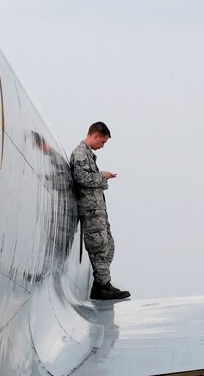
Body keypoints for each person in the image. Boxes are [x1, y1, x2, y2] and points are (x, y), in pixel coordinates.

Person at [70, 121, 130, 300]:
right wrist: (102, 176)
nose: (102, 146)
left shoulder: (88, 155)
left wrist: (102, 176)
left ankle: (102, 284)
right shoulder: (80, 154)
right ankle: (102, 287)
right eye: (102, 142)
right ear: (95, 135)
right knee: (99, 248)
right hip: (91, 212)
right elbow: (82, 178)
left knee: (108, 246)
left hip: (97, 212)